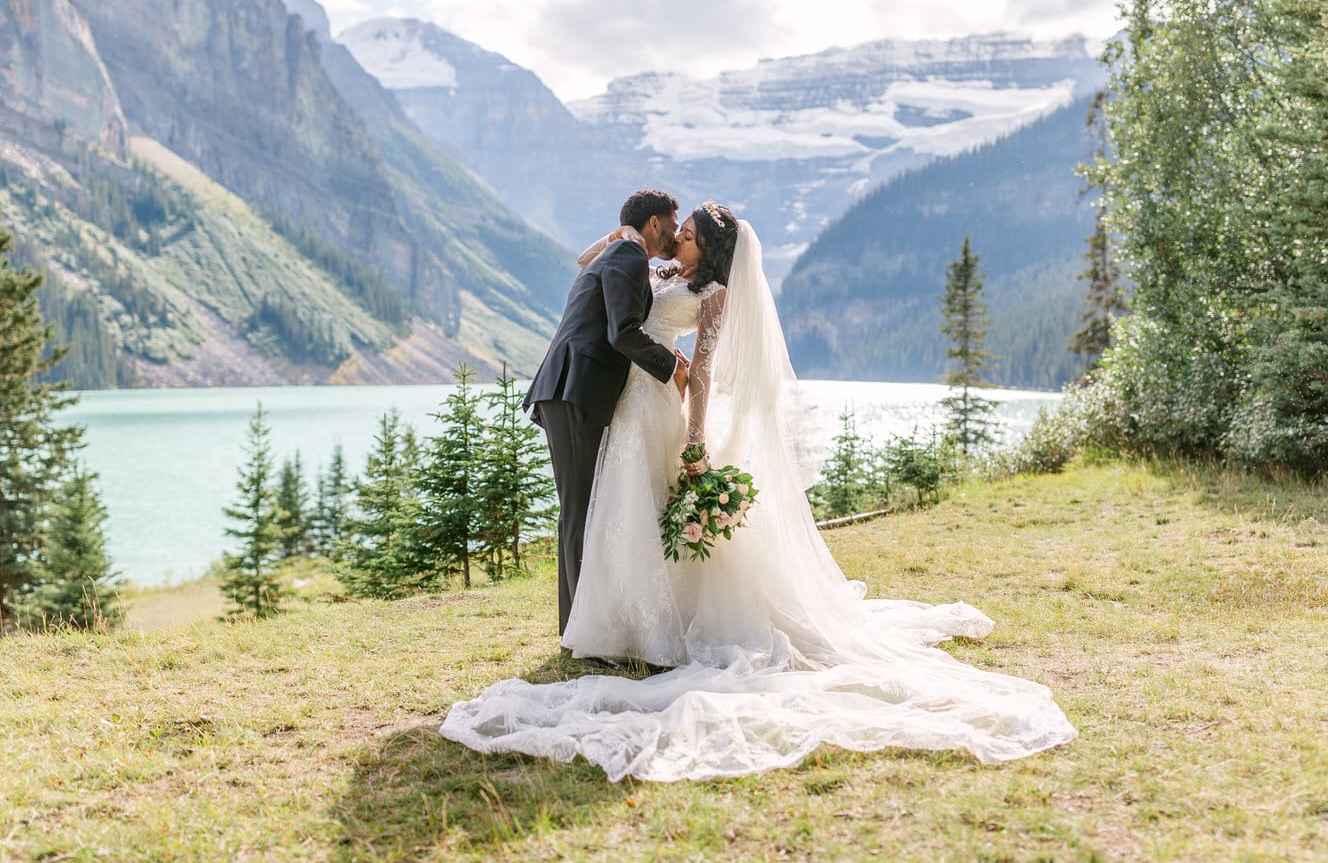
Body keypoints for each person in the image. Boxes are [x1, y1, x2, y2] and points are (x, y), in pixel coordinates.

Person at [445, 204, 1078, 782]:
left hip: (657, 408)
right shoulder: (657, 266)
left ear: (709, 248)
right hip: (627, 404)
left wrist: (696, 438)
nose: (679, 238)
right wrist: (624, 234)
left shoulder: (715, 295)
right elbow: (599, 267)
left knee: (641, 512)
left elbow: (705, 373)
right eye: (678, 231)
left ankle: (645, 631)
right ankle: (608, 625)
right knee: (616, 514)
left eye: (689, 235)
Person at [522, 189, 691, 635]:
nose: (676, 233)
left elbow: (592, 272)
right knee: (578, 508)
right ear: (655, 223)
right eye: (673, 224)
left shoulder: (625, 252)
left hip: (573, 388)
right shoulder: (628, 253)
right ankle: (577, 629)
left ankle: (578, 623)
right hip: (574, 388)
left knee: (582, 506)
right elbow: (623, 332)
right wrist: (671, 366)